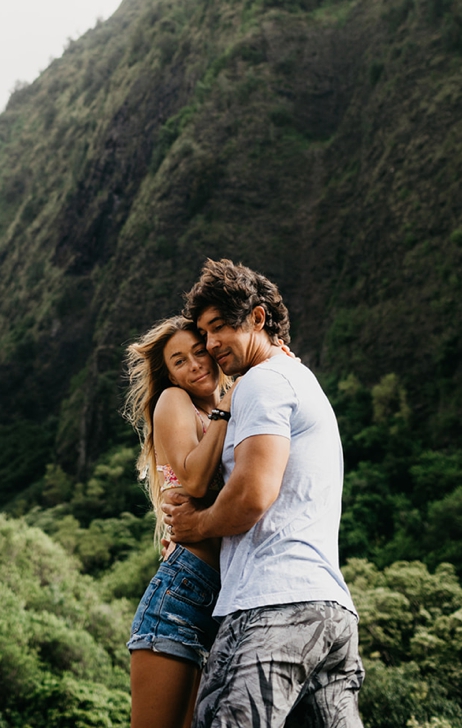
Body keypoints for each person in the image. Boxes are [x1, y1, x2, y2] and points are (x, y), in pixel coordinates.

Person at [163, 259, 363, 728]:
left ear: (257, 318)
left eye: (219, 329)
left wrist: (197, 524)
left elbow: (253, 495)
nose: (211, 345)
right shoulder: (296, 378)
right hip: (328, 614)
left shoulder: (264, 382)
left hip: (273, 607)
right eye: (204, 333)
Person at [122, 315, 234, 728]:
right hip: (182, 595)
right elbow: (195, 478)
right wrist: (225, 407)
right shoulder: (175, 402)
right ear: (168, 374)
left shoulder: (225, 411)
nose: (195, 365)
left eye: (199, 352)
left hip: (227, 599)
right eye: (180, 361)